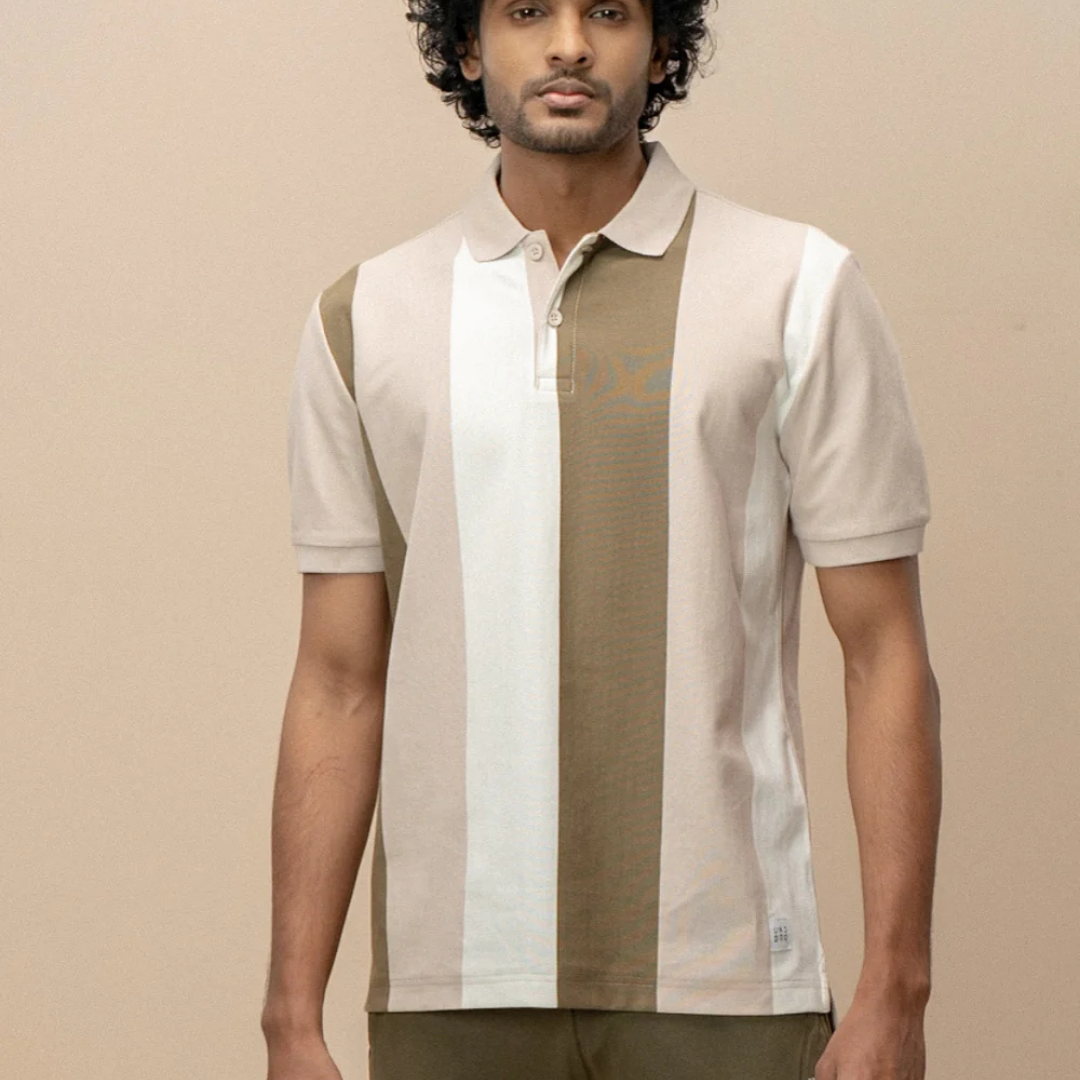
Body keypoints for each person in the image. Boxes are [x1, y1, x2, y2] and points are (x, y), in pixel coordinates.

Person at [261, 1, 942, 1078]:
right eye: (528, 9)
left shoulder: (798, 289)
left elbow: (884, 652)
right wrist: (289, 1018)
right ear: (469, 43)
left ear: (662, 44)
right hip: (453, 985)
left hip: (725, 983)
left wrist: (897, 990)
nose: (570, 43)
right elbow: (339, 682)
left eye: (610, 11)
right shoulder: (366, 316)